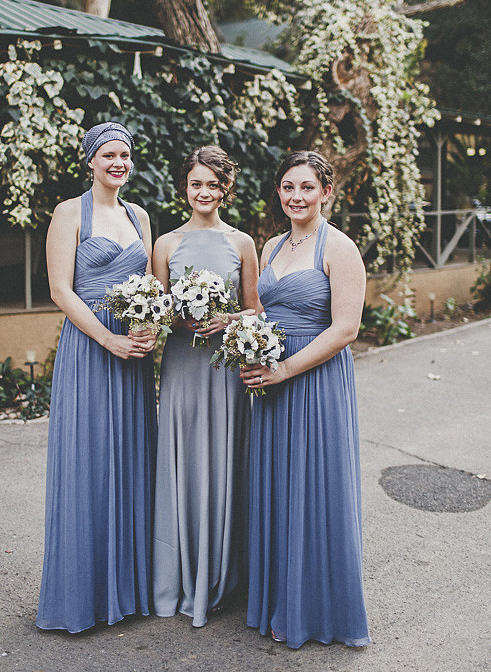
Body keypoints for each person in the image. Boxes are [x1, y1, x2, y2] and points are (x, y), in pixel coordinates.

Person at [241, 149, 371, 649]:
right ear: (279, 191)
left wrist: (285, 370)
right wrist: (233, 327)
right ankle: (280, 597)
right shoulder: (272, 245)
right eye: (288, 187)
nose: (297, 197)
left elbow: (346, 329)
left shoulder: (339, 247)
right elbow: (263, 311)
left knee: (314, 485)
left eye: (307, 187)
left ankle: (315, 609)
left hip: (313, 381)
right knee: (279, 484)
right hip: (272, 383)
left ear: (326, 192)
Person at [36, 122, 157, 633]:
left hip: (133, 352)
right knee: (88, 462)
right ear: (90, 160)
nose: (118, 163)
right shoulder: (69, 213)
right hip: (91, 349)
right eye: (108, 155)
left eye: (124, 155)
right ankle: (81, 596)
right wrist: (108, 339)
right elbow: (60, 291)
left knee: (131, 458)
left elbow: (149, 283)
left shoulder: (139, 216)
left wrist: (148, 327)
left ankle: (126, 592)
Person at [152, 146, 260, 627]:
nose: (204, 192)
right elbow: (156, 313)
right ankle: (179, 574)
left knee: (222, 459)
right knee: (184, 460)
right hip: (182, 365)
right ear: (185, 188)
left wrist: (226, 319)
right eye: (196, 183)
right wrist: (183, 318)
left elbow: (255, 308)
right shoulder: (165, 244)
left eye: (213, 184)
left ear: (225, 189)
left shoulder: (243, 243)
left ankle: (220, 576)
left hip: (224, 370)